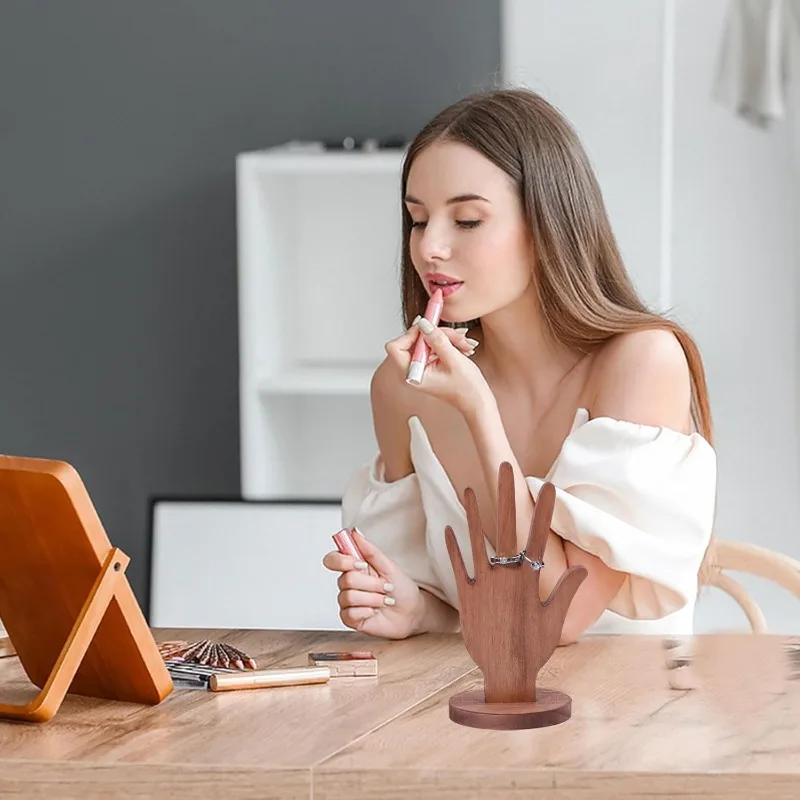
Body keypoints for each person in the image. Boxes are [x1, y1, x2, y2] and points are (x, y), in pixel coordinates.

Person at [322, 87, 717, 644]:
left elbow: (560, 614)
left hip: (631, 715)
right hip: (475, 710)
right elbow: (469, 619)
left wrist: (479, 411)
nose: (429, 247)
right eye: (417, 219)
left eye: (466, 220)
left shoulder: (641, 362)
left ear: (547, 223)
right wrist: (415, 611)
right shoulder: (402, 388)